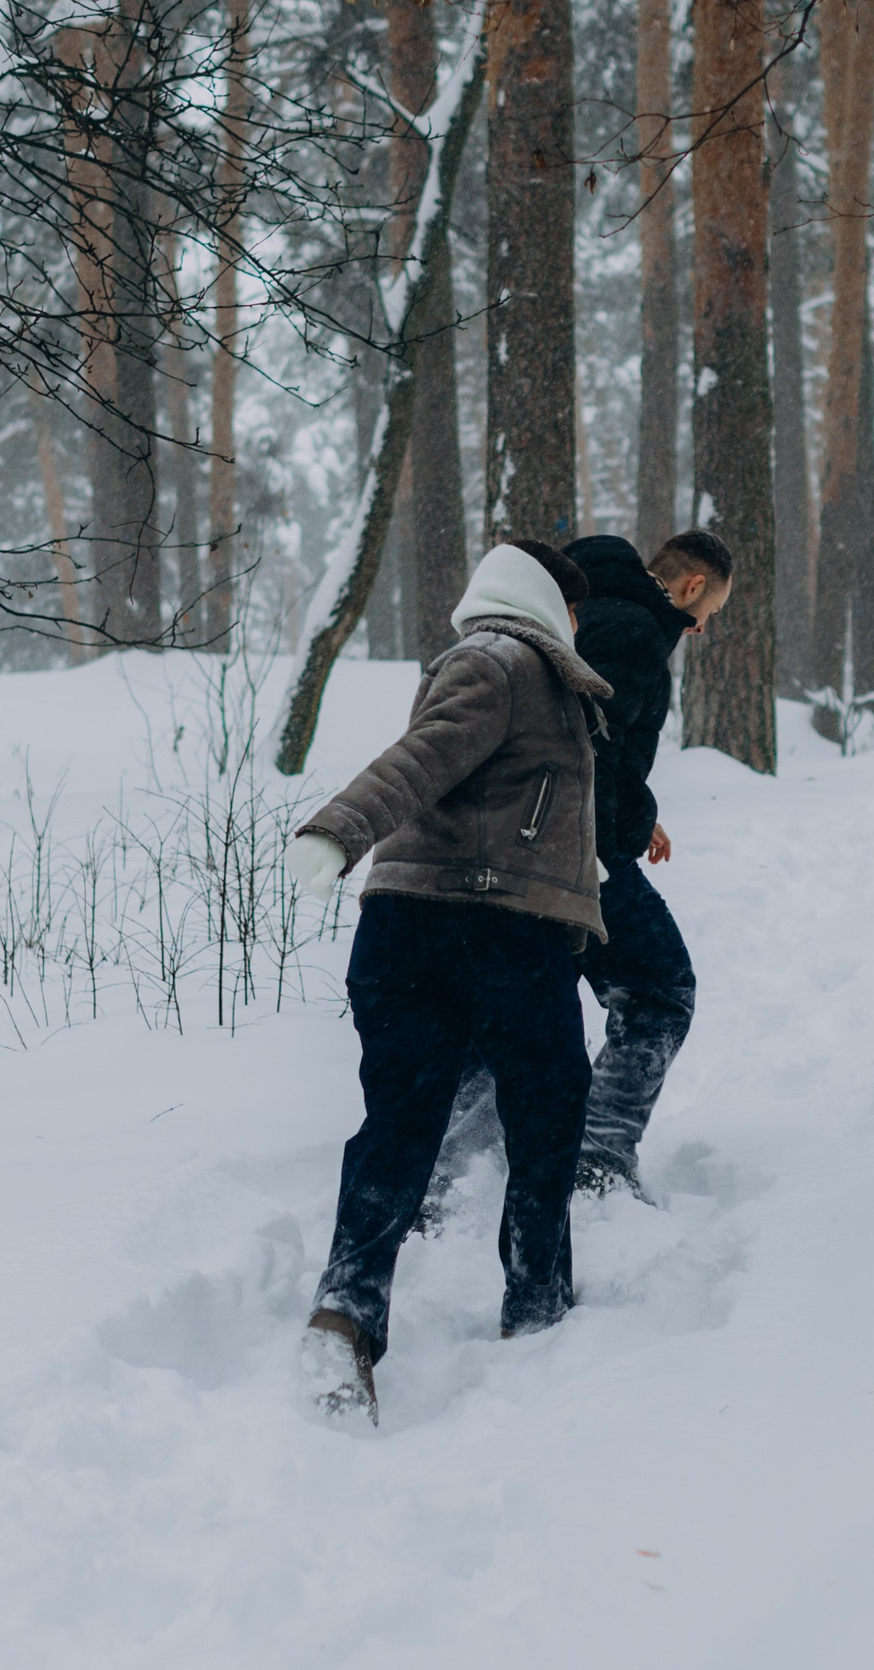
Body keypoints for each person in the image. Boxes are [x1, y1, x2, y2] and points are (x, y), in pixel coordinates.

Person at [280, 538, 611, 1425]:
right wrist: (339, 830)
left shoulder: (515, 669)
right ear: (558, 604)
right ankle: (536, 1309)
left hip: (415, 931)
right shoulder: (504, 661)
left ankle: (345, 1315)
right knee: (546, 1114)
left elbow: (514, 810)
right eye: (580, 613)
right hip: (491, 931)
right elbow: (423, 756)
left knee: (402, 1124)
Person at [559, 530, 731, 1195]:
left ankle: (453, 1175)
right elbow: (584, 748)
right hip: (575, 853)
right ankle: (597, 1163)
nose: (703, 627)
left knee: (515, 1005)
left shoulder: (584, 610)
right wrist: (618, 824)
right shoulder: (633, 632)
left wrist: (639, 804)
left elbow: (586, 738)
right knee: (659, 992)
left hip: (501, 842)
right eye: (709, 612)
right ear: (690, 588)